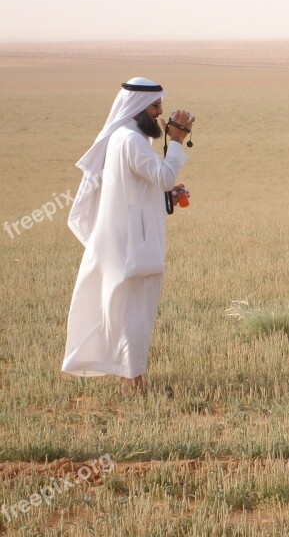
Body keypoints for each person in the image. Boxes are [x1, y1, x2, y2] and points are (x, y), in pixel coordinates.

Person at [63, 77, 194, 395]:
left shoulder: (129, 138)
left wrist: (168, 197)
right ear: (136, 108)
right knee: (133, 313)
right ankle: (132, 385)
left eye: (161, 106)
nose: (160, 114)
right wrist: (176, 140)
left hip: (129, 242)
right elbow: (163, 176)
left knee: (130, 311)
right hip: (132, 247)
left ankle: (132, 380)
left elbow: (138, 190)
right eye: (155, 106)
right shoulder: (131, 140)